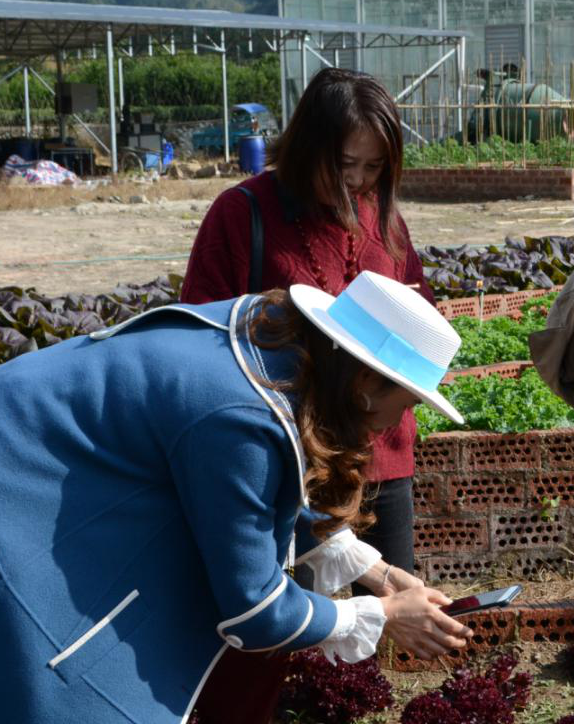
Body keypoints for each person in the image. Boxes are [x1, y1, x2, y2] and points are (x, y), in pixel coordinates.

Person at [0, 271, 474, 724]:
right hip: (1, 479)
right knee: (39, 650)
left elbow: (247, 497)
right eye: (407, 403)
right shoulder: (242, 416)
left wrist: (378, 575)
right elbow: (255, 611)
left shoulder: (274, 338)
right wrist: (382, 615)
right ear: (364, 382)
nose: (401, 421)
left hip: (19, 451)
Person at [181, 68, 433, 720]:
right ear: (307, 147)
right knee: (272, 633)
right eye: (344, 165)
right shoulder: (244, 213)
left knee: (378, 630)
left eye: (374, 168)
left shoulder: (386, 220)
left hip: (378, 456)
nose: (358, 183)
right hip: (278, 457)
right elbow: (202, 340)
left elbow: (417, 322)